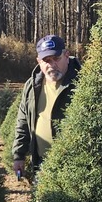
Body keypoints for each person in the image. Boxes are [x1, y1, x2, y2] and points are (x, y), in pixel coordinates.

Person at [11, 34, 82, 180]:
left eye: (56, 58)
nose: (51, 64)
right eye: (46, 60)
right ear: (39, 61)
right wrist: (19, 155)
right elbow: (23, 121)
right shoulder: (32, 86)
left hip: (74, 166)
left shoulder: (82, 84)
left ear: (67, 55)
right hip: (41, 165)